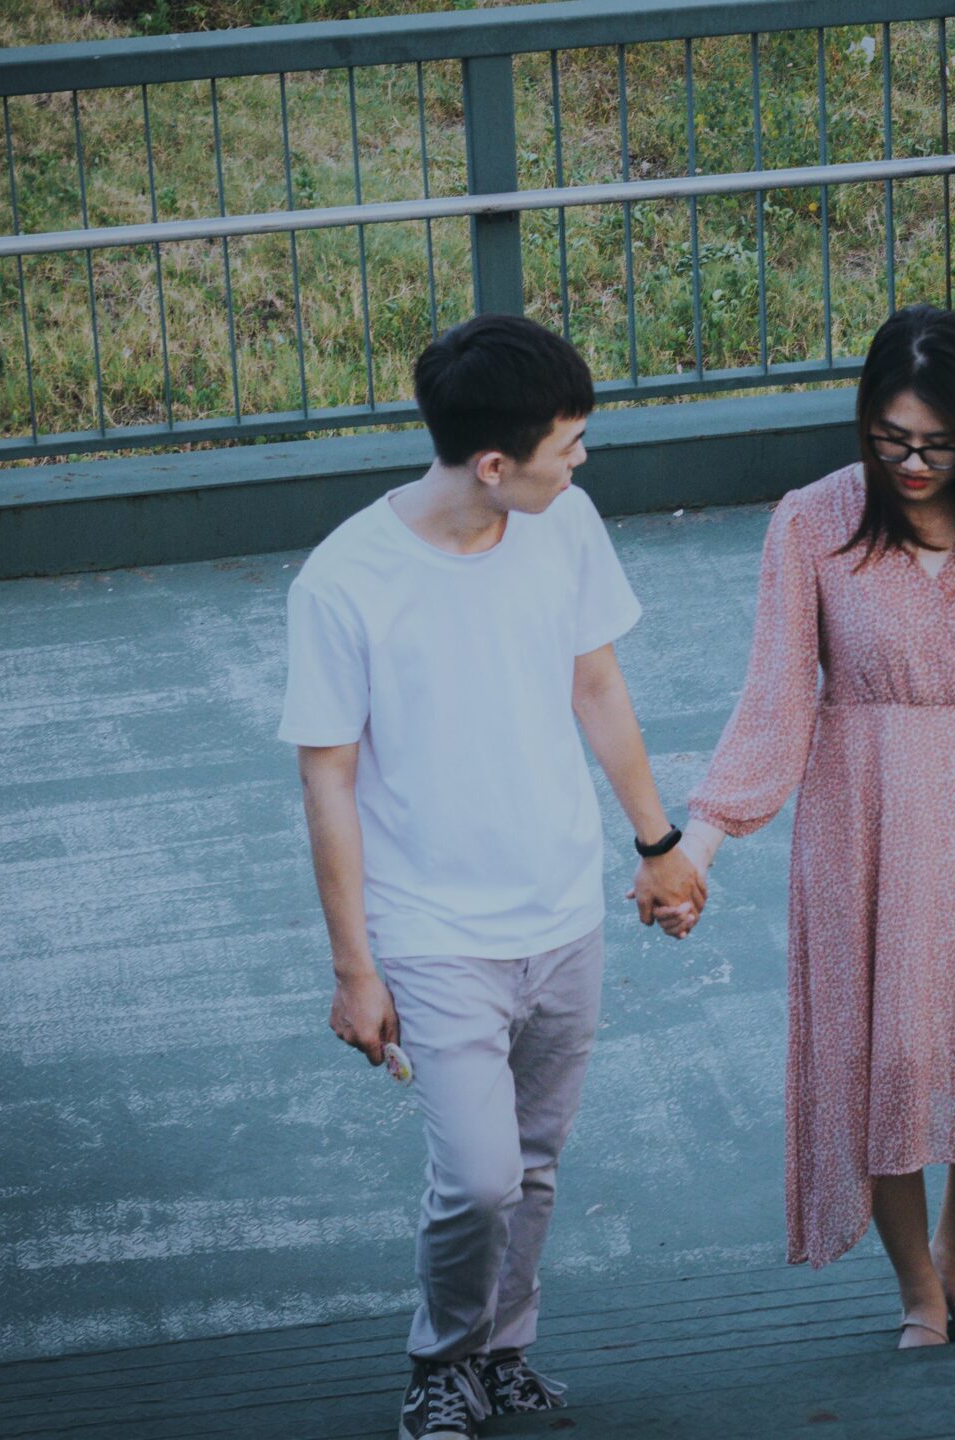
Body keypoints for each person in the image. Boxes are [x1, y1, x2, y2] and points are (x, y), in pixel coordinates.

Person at [278, 313, 707, 1440]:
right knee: (476, 1178)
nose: (582, 462)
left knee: (534, 1164)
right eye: (568, 444)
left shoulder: (562, 527)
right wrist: (351, 970)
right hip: (432, 933)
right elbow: (327, 785)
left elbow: (598, 690)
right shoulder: (344, 582)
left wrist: (658, 850)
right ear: (491, 464)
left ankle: (502, 1351)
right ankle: (440, 1362)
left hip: (564, 913)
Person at [678, 304, 955, 1351]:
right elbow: (774, 700)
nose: (911, 462)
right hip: (863, 817)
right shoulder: (812, 521)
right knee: (882, 1058)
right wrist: (700, 841)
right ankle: (917, 1286)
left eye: (936, 443)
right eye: (889, 439)